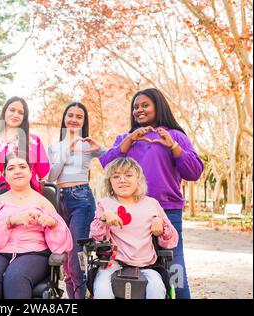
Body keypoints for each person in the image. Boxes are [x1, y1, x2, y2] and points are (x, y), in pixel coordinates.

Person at [99, 88, 203, 299]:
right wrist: (129, 141)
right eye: (135, 107)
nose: (139, 110)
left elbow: (194, 172)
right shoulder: (125, 138)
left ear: (159, 106)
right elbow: (106, 166)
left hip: (167, 210)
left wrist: (173, 146)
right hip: (128, 212)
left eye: (145, 105)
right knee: (132, 267)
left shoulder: (175, 136)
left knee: (175, 267)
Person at [0, 152, 73, 299]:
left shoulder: (43, 201)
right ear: (5, 175)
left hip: (33, 253)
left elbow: (63, 240)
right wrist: (11, 220)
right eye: (11, 168)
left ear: (30, 171)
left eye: (22, 166)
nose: (18, 171)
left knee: (15, 276)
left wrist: (52, 223)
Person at [90, 157, 178, 299]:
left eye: (128, 175)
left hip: (147, 266)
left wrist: (161, 224)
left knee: (157, 290)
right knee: (102, 291)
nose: (122, 180)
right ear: (109, 182)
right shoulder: (105, 204)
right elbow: (96, 237)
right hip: (113, 264)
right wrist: (104, 218)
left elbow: (171, 241)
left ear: (138, 179)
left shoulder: (152, 204)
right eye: (116, 176)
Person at [47, 102, 106, 299]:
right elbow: (51, 176)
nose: (74, 119)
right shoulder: (55, 147)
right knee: (64, 258)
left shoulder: (88, 145)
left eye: (79, 117)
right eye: (70, 115)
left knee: (75, 258)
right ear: (64, 118)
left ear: (83, 121)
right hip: (60, 200)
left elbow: (112, 161)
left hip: (82, 199)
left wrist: (101, 149)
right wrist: (66, 150)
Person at [0, 96, 50, 212]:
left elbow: (44, 171)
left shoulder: (34, 141)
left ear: (24, 117)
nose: (15, 115)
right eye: (12, 110)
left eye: (20, 112)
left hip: (27, 197)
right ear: (5, 111)